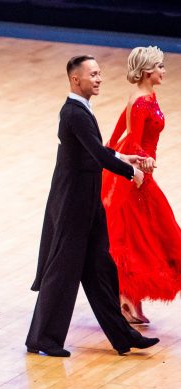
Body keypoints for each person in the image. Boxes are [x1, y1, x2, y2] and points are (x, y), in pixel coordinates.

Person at [25, 56, 160, 357]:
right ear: (76, 79)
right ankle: (42, 339)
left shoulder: (81, 111)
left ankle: (122, 335)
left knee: (101, 267)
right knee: (62, 272)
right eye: (94, 74)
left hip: (88, 202)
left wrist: (126, 158)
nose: (99, 79)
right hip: (73, 204)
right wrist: (131, 172)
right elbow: (98, 157)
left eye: (100, 74)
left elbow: (92, 152)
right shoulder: (73, 113)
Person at [102, 46, 181, 324]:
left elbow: (118, 126)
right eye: (159, 66)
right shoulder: (141, 100)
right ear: (147, 71)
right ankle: (126, 299)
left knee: (141, 234)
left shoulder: (144, 96)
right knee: (141, 235)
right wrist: (135, 165)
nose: (163, 71)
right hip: (136, 174)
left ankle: (128, 299)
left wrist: (107, 150)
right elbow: (133, 138)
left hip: (139, 169)